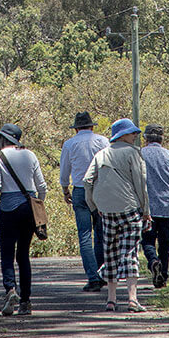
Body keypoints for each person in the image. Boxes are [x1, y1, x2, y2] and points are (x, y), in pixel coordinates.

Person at [83, 118, 150, 313]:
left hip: (107, 211)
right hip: (129, 209)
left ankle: (111, 300)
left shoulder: (101, 154)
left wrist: (94, 206)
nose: (135, 136)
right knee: (130, 253)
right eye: (132, 133)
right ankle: (132, 299)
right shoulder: (133, 153)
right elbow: (141, 184)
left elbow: (87, 181)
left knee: (110, 253)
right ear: (123, 135)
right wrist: (146, 211)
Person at [0, 123, 47, 316]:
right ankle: (26, 302)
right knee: (23, 255)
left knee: (7, 253)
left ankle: (10, 290)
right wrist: (38, 205)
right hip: (28, 208)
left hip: (8, 208)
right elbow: (42, 186)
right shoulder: (30, 155)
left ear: (3, 139)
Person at [59, 111, 110, 292]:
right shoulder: (103, 141)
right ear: (92, 126)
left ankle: (92, 276)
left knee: (84, 234)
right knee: (101, 233)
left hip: (80, 190)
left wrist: (65, 190)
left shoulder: (69, 144)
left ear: (76, 129)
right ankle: (102, 273)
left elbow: (65, 170)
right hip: (100, 190)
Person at [139, 125, 169, 289]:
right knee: (165, 243)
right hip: (167, 207)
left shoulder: (139, 155)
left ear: (146, 138)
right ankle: (163, 276)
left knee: (147, 241)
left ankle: (153, 261)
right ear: (162, 139)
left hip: (147, 208)